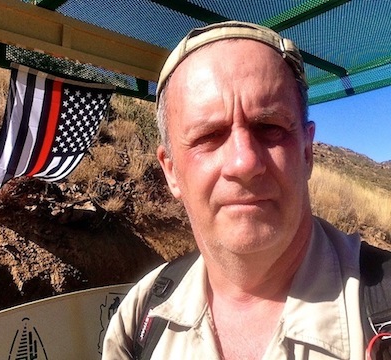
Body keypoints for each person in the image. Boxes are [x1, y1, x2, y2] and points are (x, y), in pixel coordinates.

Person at [102, 20, 371, 359]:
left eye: (269, 128)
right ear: (171, 171)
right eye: (208, 136)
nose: (244, 163)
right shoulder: (140, 318)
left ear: (306, 153)